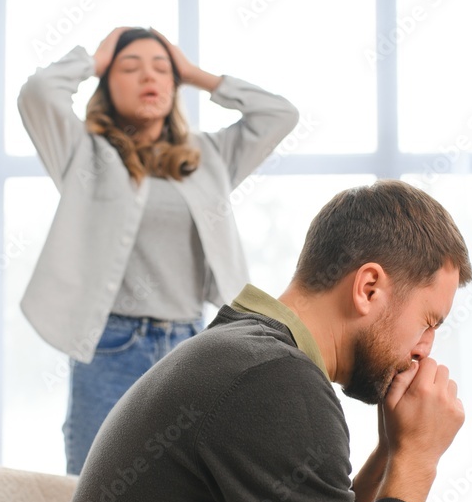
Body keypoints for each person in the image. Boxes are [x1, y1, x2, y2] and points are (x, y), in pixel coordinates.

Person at [27, 180, 472, 502]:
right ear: (368, 288)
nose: (426, 348)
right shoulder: (276, 382)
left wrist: (390, 452)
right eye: (429, 321)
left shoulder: (247, 352)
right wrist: (417, 459)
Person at [17, 27, 300, 474]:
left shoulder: (208, 157)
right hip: (112, 347)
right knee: (92, 492)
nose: (149, 76)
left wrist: (199, 75)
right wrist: (93, 59)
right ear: (107, 85)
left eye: (162, 68)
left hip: (190, 346)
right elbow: (37, 92)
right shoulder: (82, 153)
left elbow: (279, 114)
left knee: (183, 492)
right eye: (129, 67)